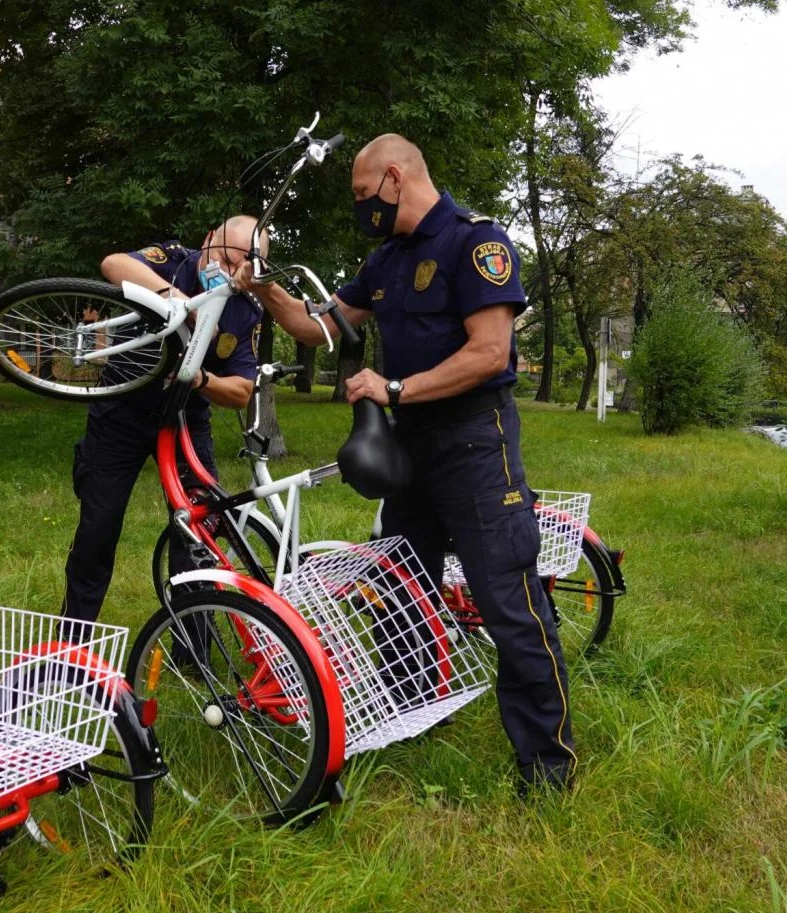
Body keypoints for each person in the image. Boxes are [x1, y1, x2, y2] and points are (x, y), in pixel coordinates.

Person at [234, 134, 575, 793]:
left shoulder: (477, 243)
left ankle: (548, 764)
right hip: (412, 443)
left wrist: (393, 390)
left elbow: (489, 352)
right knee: (399, 583)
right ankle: (412, 708)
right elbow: (321, 324)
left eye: (364, 195)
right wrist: (264, 289)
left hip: (476, 440)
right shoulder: (386, 259)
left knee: (506, 597)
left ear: (394, 178)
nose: (361, 207)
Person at [60, 216, 269, 625]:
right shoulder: (171, 260)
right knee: (97, 527)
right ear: (208, 239)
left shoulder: (245, 310)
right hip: (121, 410)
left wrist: (201, 379)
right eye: (224, 258)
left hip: (186, 418)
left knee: (196, 531)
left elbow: (241, 391)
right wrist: (176, 303)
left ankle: (195, 654)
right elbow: (113, 264)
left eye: (241, 267)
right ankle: (73, 643)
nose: (227, 273)